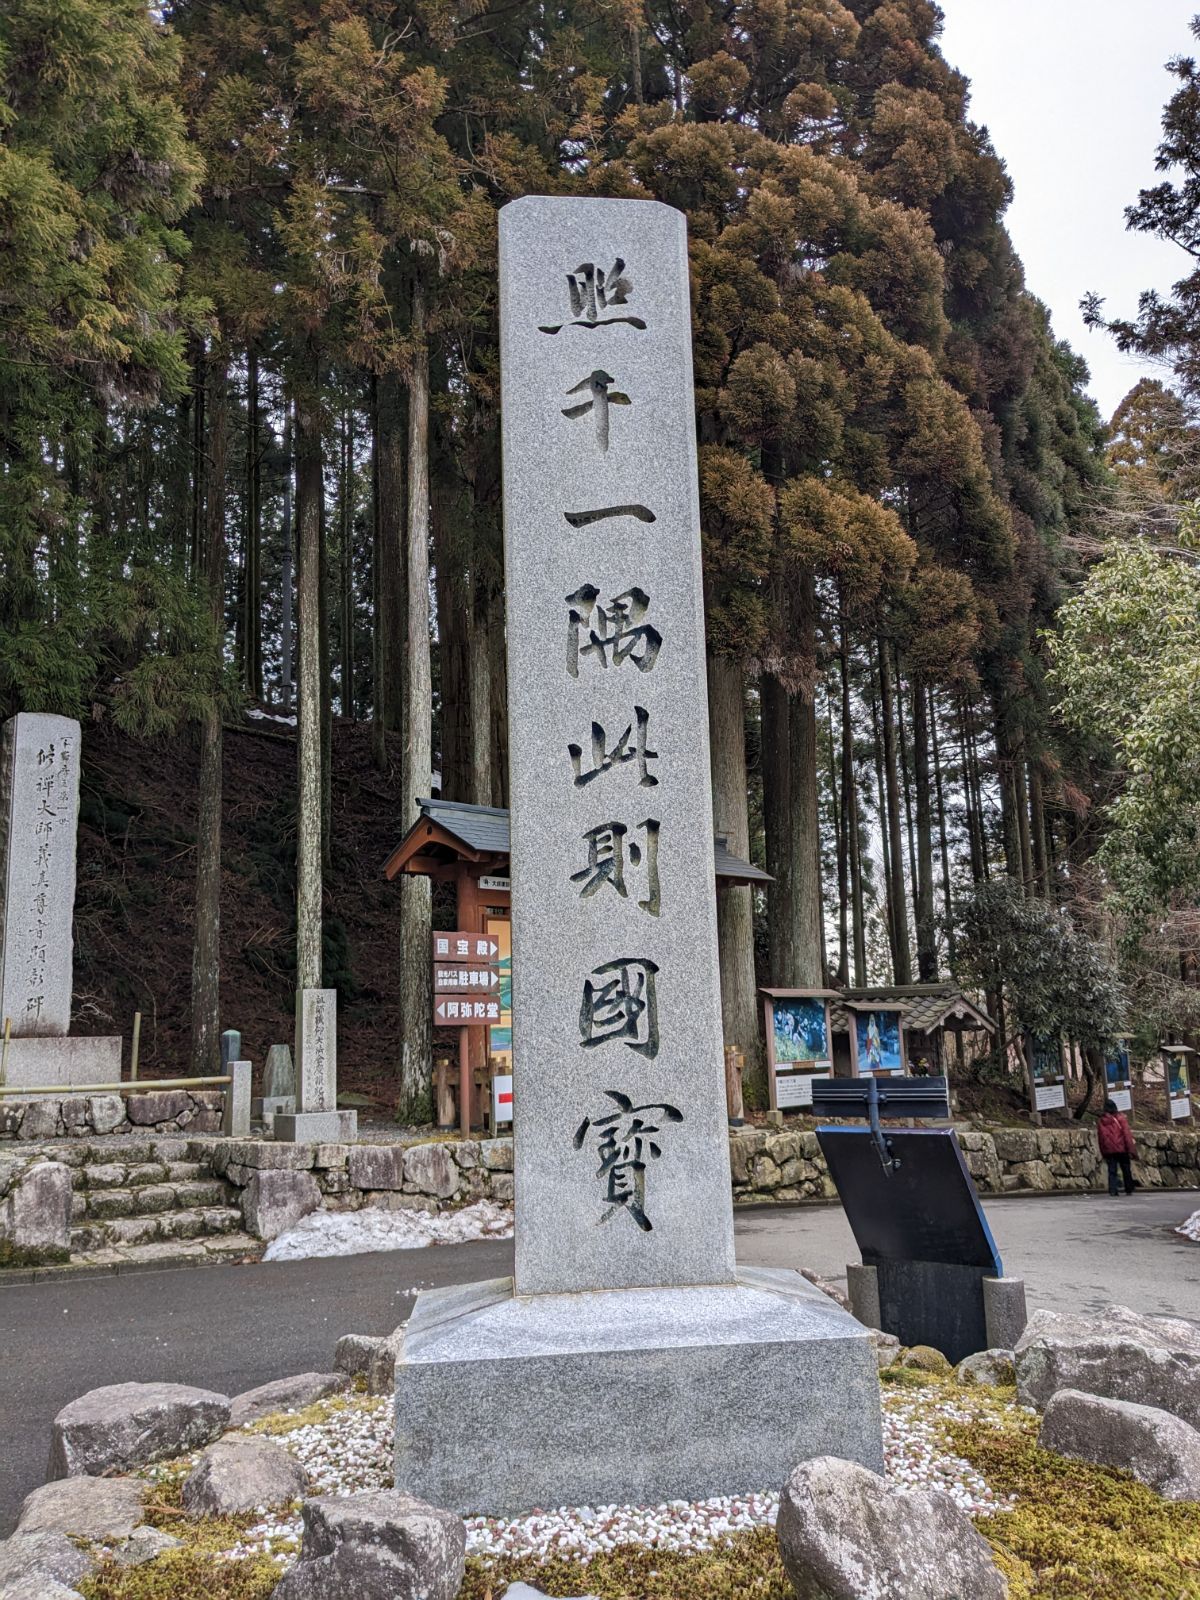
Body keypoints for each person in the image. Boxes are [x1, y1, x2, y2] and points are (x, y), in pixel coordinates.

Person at [1097, 1099, 1136, 1196]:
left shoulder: (1102, 1121)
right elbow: (1127, 1135)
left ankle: (1113, 1189)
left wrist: (1103, 1151)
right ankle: (1129, 1188)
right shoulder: (1120, 1118)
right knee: (1126, 1169)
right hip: (1122, 1148)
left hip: (1110, 1150)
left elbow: (1101, 1138)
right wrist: (1131, 1149)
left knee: (1112, 1170)